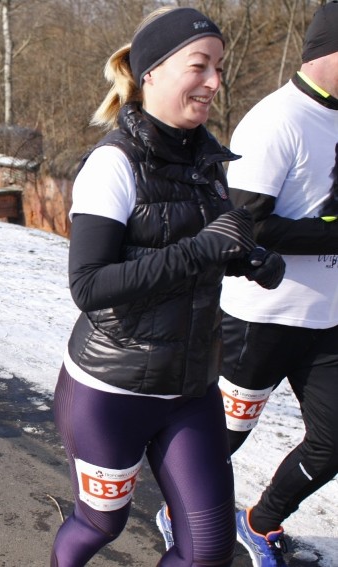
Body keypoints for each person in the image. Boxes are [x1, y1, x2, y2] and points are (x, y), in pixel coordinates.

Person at [50, 7, 284, 566]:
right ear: (151, 72)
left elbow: (189, 255)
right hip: (111, 392)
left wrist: (244, 259)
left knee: (207, 551)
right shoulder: (113, 164)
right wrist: (203, 249)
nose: (214, 83)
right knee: (98, 527)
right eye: (199, 66)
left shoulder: (206, 160)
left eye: (219, 68)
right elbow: (89, 284)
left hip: (192, 386)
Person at [215, 2, 338, 565]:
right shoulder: (276, 118)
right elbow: (246, 224)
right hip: (257, 318)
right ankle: (184, 515)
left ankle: (259, 521)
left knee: (333, 442)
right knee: (219, 444)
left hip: (327, 319)